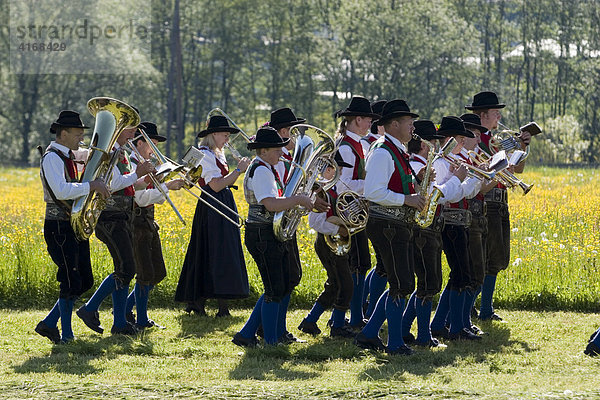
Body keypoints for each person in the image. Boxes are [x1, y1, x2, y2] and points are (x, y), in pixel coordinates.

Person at [232, 127, 328, 347]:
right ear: (263, 151)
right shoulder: (262, 170)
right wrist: (299, 200)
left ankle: (248, 335)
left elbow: (280, 200)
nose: (282, 153)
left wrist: (305, 201)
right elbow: (271, 204)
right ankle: (271, 341)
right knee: (275, 288)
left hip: (267, 231)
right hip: (262, 232)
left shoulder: (268, 167)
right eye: (277, 149)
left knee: (279, 286)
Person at [354, 99, 425, 355]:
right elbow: (373, 192)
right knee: (401, 283)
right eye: (409, 122)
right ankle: (395, 343)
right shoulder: (384, 151)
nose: (412, 127)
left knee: (399, 281)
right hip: (388, 224)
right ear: (394, 124)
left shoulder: (395, 150)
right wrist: (408, 199)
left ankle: (369, 333)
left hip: (395, 223)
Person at [36, 110, 110, 344]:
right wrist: (92, 186)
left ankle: (49, 323)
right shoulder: (52, 158)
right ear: (63, 133)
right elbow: (61, 190)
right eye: (78, 133)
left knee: (84, 279)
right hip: (58, 225)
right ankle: (66, 334)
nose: (81, 138)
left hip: (71, 223)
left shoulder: (67, 155)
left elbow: (87, 155)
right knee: (70, 280)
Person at [76, 117, 154, 336]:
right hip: (110, 217)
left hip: (122, 215)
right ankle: (90, 308)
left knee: (124, 269)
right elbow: (114, 183)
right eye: (131, 128)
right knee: (127, 267)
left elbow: (128, 184)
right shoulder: (109, 152)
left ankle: (119, 323)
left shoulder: (121, 153)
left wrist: (144, 178)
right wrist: (138, 173)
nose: (134, 133)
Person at [175, 115, 250, 316]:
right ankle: (204, 302)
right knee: (215, 251)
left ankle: (212, 303)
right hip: (213, 204)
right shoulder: (204, 154)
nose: (227, 139)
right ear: (213, 134)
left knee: (220, 251)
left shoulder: (216, 153)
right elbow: (215, 185)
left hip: (222, 202)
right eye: (225, 135)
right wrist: (238, 171)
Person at [466, 91, 532, 321]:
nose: (499, 116)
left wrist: (523, 147)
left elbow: (518, 170)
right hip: (487, 201)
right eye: (495, 112)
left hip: (500, 199)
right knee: (487, 258)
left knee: (498, 257)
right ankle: (479, 308)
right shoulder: (477, 139)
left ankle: (482, 307)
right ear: (482, 114)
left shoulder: (496, 138)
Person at [124, 122, 186, 329]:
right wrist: (166, 186)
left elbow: (156, 198)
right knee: (145, 274)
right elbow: (139, 198)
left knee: (158, 273)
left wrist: (165, 183)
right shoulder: (133, 165)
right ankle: (139, 319)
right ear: (139, 143)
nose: (156, 148)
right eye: (153, 143)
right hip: (136, 220)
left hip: (148, 220)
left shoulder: (147, 164)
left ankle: (125, 308)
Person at [428, 116, 482, 341]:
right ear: (449, 139)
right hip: (449, 221)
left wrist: (477, 176)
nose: (463, 143)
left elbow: (465, 192)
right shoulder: (441, 163)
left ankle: (443, 323)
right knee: (461, 274)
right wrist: (468, 179)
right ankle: (455, 327)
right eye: (460, 138)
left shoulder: (455, 160)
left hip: (458, 220)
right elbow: (444, 195)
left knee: (461, 275)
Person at [400, 120, 449, 347]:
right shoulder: (417, 166)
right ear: (423, 144)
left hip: (427, 225)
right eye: (432, 143)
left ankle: (404, 328)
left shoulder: (420, 163)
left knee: (428, 282)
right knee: (428, 282)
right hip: (423, 227)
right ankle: (422, 334)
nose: (434, 147)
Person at [334, 95, 380, 331]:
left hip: (355, 214)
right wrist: (371, 185)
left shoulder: (357, 145)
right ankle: (345, 320)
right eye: (368, 119)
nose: (371, 122)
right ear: (357, 119)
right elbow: (342, 186)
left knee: (361, 264)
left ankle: (353, 317)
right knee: (355, 266)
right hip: (347, 215)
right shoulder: (346, 147)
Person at [298, 156, 355, 338]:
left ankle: (310, 321)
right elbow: (315, 222)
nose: (340, 173)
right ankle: (337, 326)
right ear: (329, 170)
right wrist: (338, 229)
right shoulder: (320, 191)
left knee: (335, 284)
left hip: (335, 239)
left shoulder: (334, 189)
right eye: (337, 168)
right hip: (327, 241)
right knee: (344, 284)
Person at [268, 107, 306, 342]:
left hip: (286, 221)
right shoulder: (276, 161)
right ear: (283, 132)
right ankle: (271, 330)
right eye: (291, 131)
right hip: (277, 223)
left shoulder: (285, 159)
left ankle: (273, 329)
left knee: (290, 278)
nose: (293, 137)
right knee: (282, 281)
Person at [360, 99, 388, 319]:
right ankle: (367, 307)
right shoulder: (373, 144)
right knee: (382, 265)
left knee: (379, 263)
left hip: (373, 207)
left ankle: (366, 303)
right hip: (373, 207)